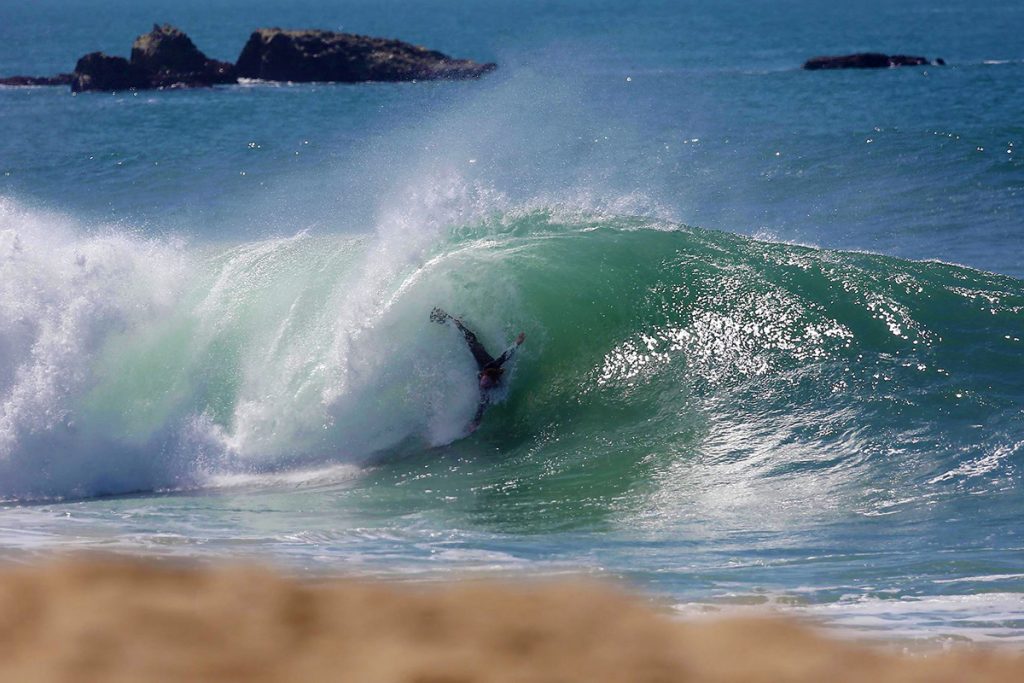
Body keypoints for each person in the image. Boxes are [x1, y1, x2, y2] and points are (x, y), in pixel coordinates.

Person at [431, 307, 525, 431]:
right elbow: (505, 356)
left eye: (483, 383)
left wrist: (475, 423)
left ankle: (456, 321)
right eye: (482, 378)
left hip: (480, 359)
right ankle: (443, 317)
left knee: (467, 333)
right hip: (476, 349)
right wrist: (517, 343)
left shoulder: (486, 387)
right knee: (465, 333)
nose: (481, 383)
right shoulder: (493, 366)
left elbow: (482, 405)